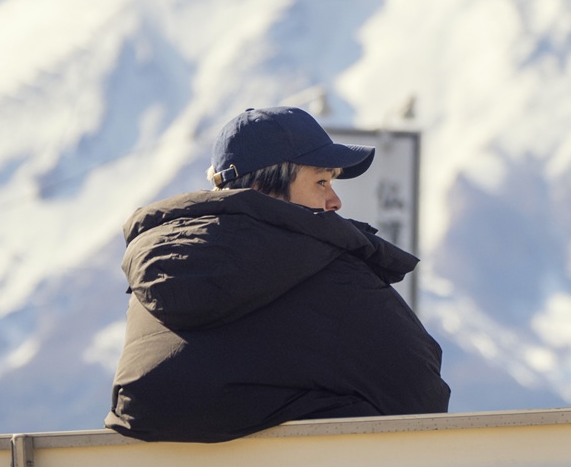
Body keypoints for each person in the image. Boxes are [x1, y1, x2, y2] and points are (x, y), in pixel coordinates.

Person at [106, 106, 450, 443]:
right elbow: (424, 401)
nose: (335, 202)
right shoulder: (331, 271)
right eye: (321, 181)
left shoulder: (154, 279)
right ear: (261, 191)